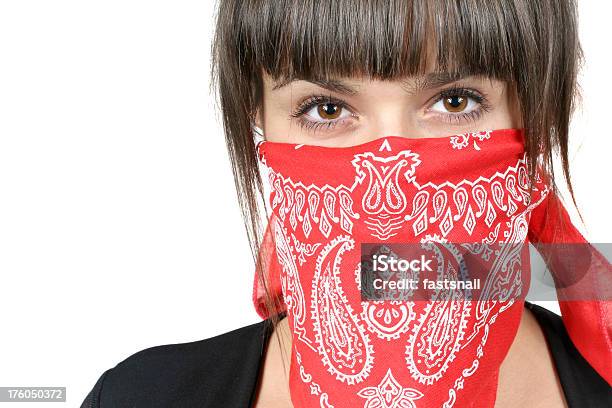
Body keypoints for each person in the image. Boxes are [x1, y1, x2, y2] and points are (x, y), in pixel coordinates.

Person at [81, 1, 612, 407]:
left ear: (542, 113)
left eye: (456, 101)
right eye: (328, 109)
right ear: (259, 119)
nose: (388, 167)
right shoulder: (142, 397)